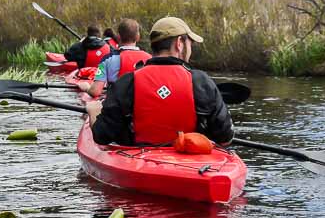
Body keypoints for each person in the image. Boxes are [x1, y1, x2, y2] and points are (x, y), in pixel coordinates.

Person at [86, 17, 234, 146]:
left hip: (139, 161)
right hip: (192, 167)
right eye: (190, 43)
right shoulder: (202, 82)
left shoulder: (127, 82)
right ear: (179, 43)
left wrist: (93, 111)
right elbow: (225, 138)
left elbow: (102, 136)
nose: (191, 48)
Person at [75, 19, 151, 98]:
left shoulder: (107, 60)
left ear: (118, 36)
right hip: (141, 104)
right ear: (138, 37)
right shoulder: (150, 59)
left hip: (116, 105)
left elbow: (95, 91)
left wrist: (87, 87)